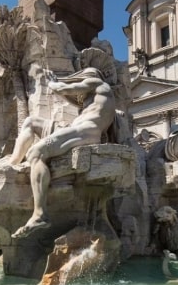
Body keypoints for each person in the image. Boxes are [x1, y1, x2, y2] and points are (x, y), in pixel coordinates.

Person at [7, 66, 116, 238]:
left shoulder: (98, 83)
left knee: (37, 151)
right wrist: (58, 86)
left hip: (86, 131)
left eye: (82, 80)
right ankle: (13, 162)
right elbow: (70, 96)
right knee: (31, 122)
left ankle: (40, 213)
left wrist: (51, 82)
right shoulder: (94, 100)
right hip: (76, 129)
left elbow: (67, 89)